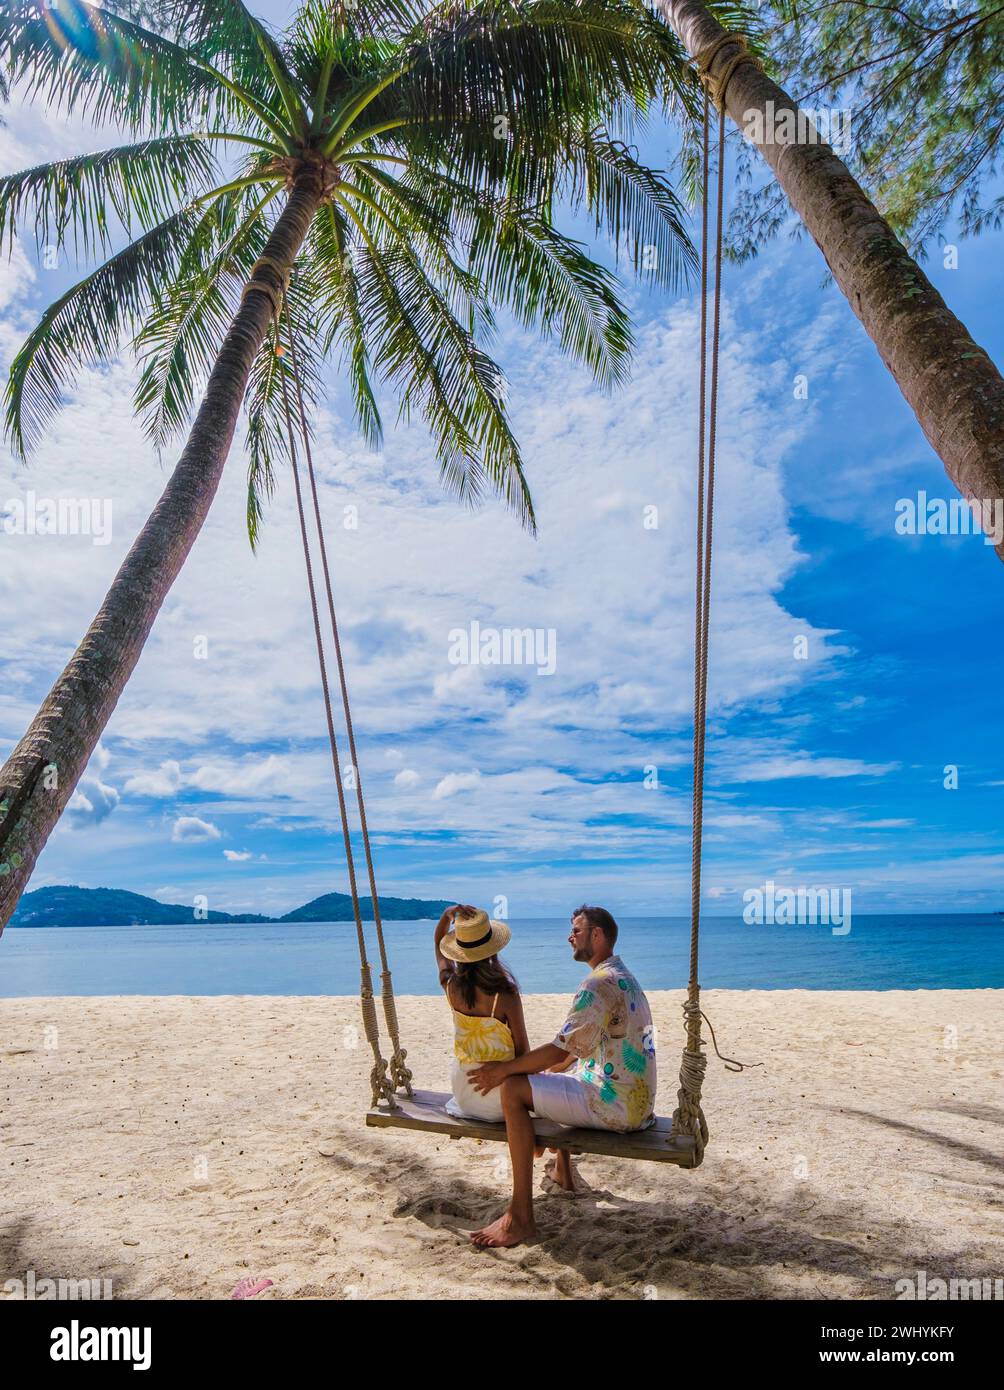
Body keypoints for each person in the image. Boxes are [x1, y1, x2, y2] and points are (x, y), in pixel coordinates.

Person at [467, 904, 657, 1249]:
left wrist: (502, 1070)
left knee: (513, 1089)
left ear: (596, 935)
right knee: (556, 1071)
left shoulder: (597, 983)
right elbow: (573, 1050)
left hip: (616, 1105)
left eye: (577, 931)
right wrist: (545, 1067)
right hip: (635, 1100)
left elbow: (558, 1048)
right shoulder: (621, 974)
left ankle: (521, 1217)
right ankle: (562, 1171)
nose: (569, 937)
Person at [434, 904, 529, 1122]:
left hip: (464, 1093)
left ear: (458, 951)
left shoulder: (449, 985)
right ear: (493, 949)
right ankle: (555, 1151)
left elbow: (438, 948)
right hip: (503, 1095)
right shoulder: (505, 994)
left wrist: (445, 917)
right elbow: (523, 1051)